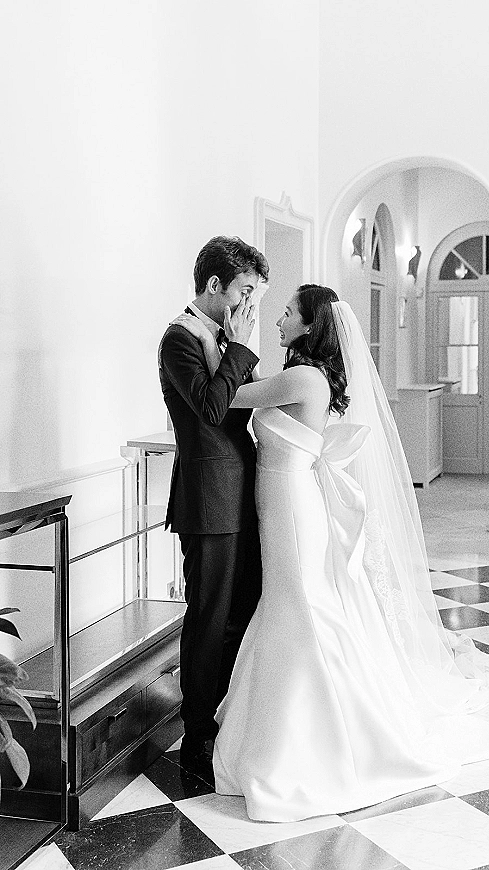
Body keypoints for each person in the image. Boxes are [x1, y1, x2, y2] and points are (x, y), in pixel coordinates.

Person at [173, 284, 489, 821]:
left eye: (288, 312)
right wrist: (222, 339)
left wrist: (226, 337)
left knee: (299, 605)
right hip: (283, 501)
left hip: (291, 506)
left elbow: (233, 396)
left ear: (311, 326)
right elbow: (236, 388)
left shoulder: (303, 379)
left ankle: (315, 736)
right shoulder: (307, 377)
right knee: (290, 601)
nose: (279, 318)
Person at [158, 236, 268, 786]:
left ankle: (230, 720)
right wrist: (242, 350)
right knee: (208, 620)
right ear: (213, 286)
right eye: (244, 292)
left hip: (242, 493)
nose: (249, 305)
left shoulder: (225, 336)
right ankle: (197, 734)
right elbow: (209, 407)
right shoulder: (178, 338)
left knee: (242, 612)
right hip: (208, 498)